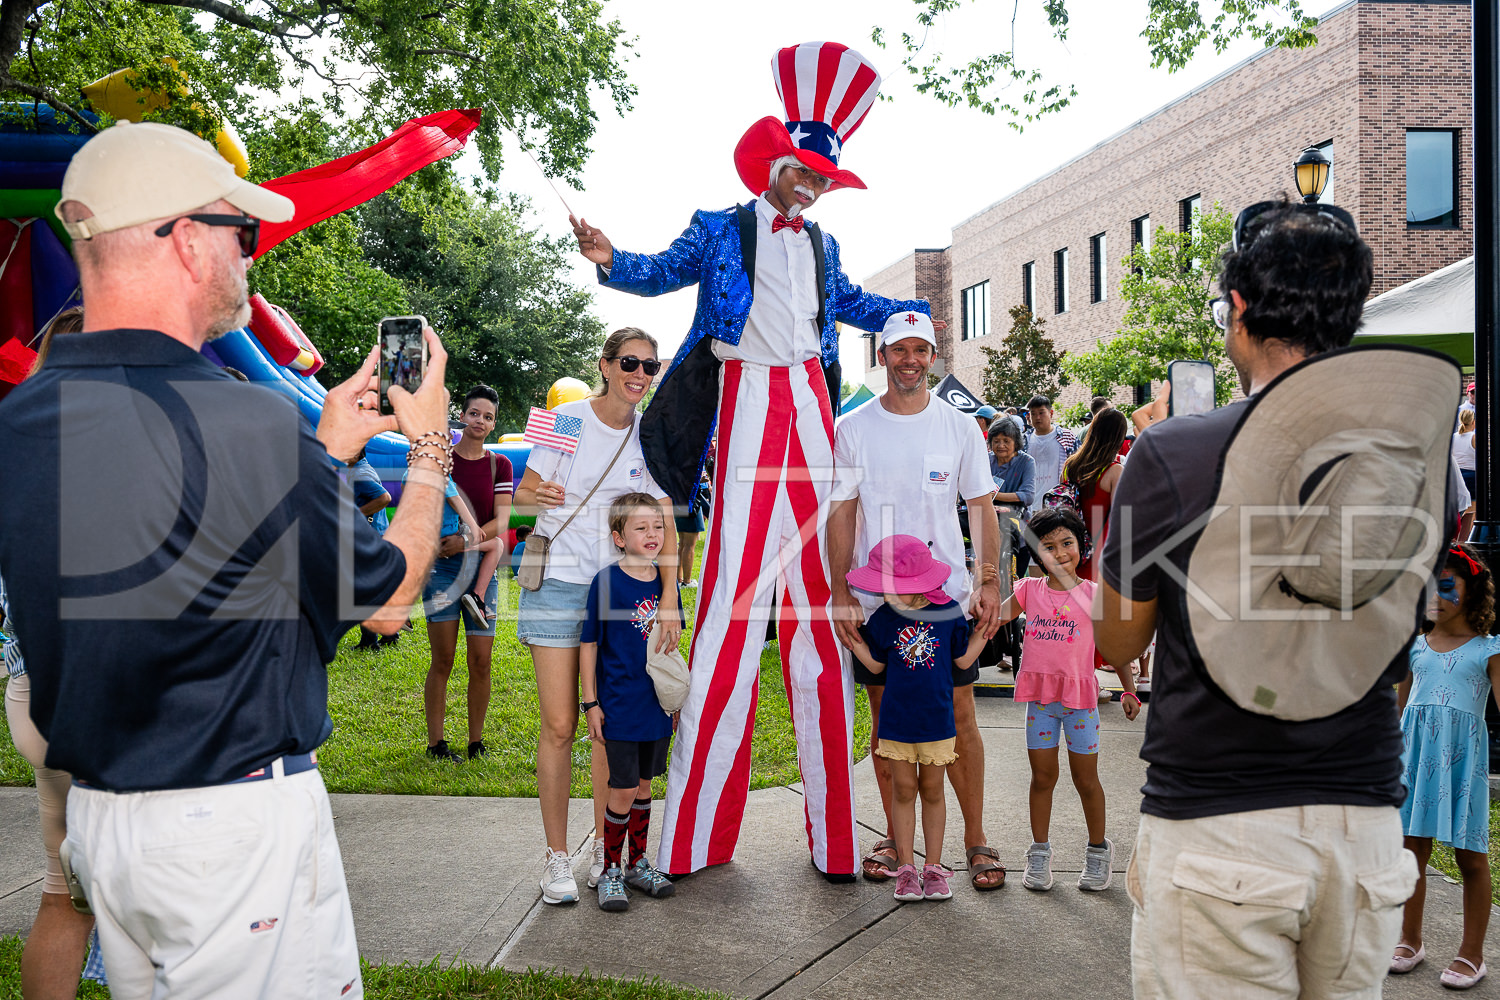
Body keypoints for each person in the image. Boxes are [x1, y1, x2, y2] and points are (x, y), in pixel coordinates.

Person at [0, 120, 451, 998]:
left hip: (101, 825)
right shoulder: (248, 423)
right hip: (231, 834)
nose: (252, 256)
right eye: (242, 233)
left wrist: (320, 450)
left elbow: (178, 546)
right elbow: (389, 601)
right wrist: (428, 446)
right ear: (184, 238)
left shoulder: (26, 419)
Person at [573, 41, 939, 881]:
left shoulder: (824, 246)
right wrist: (609, 260)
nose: (809, 186)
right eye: (801, 171)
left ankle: (837, 844)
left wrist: (910, 311)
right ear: (775, 161)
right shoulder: (718, 228)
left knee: (817, 611)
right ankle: (696, 840)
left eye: (822, 177)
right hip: (742, 403)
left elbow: (852, 307)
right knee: (732, 613)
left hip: (809, 400)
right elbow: (661, 272)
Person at [1097, 201, 1461, 998]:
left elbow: (1118, 646)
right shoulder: (1418, 461)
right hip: (1364, 820)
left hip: (1216, 823)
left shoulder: (1171, 452)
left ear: (1237, 311)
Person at [828, 311, 1004, 891]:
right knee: (888, 722)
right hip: (877, 602)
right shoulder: (853, 428)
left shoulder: (960, 428)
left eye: (920, 350)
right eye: (898, 349)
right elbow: (843, 511)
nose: (909, 359)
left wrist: (987, 581)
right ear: (882, 357)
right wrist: (839, 592)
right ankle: (898, 841)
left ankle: (975, 840)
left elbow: (981, 508)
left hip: (947, 597)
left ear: (934, 357)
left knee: (960, 716)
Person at [514, 327, 678, 904]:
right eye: (629, 363)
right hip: (560, 584)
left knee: (613, 732)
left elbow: (664, 515)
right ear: (605, 365)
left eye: (650, 367)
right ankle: (557, 858)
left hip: (621, 597)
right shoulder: (562, 419)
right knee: (561, 725)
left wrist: (671, 598)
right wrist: (541, 498)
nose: (639, 374)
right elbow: (518, 499)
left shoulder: (651, 432)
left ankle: (605, 858)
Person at [996, 508, 1138, 892]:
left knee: (1085, 779)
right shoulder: (1028, 591)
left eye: (1067, 543)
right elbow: (993, 618)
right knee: (1042, 778)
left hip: (1080, 705)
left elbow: (1117, 647)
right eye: (1047, 547)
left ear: (1081, 546)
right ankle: (1039, 852)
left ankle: (1098, 851)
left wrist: (1128, 689)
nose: (1059, 553)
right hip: (1041, 703)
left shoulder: (1094, 596)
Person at [845, 536, 989, 903]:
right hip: (897, 724)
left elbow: (961, 660)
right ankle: (907, 869)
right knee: (905, 790)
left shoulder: (948, 615)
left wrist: (984, 635)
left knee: (933, 792)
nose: (883, 594)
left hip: (937, 724)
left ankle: (934, 868)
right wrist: (854, 642)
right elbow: (876, 665)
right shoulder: (884, 618)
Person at [1391, 544, 1499, 988]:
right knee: (1411, 850)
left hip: (1462, 765)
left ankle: (1472, 954)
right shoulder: (1414, 647)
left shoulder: (1489, 648)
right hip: (1414, 762)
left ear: (1471, 591)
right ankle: (1409, 940)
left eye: (1446, 585)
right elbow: (1401, 711)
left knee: (1470, 857)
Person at [580, 493, 681, 912]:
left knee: (643, 787)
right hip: (619, 705)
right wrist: (591, 702)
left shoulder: (665, 582)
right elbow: (589, 644)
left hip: (654, 706)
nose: (652, 534)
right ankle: (611, 871)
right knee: (619, 791)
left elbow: (669, 645)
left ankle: (639, 864)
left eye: (657, 526)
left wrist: (673, 699)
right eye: (641, 528)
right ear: (619, 538)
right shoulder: (607, 581)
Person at [421, 385, 514, 760]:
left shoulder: (500, 465)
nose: (480, 421)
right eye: (474, 413)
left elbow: (502, 520)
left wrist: (464, 540)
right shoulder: (441, 458)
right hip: (441, 572)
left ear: (493, 424)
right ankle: (436, 744)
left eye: (488, 416)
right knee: (442, 660)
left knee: (481, 661)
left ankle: (476, 742)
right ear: (463, 415)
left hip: (481, 574)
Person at [1060, 407, 1127, 583]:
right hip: (1102, 555)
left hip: (1071, 550)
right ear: (1118, 437)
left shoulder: (1070, 466)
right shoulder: (1114, 472)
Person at [348, 449, 395, 651]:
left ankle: (369, 641)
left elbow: (384, 498)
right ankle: (390, 634)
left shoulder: (360, 474)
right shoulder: (360, 469)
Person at [989, 415, 1036, 580]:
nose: (1000, 445)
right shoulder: (987, 460)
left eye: (1006, 440)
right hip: (989, 531)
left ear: (1016, 442)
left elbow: (1028, 496)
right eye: (996, 440)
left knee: (1014, 581)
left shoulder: (1026, 462)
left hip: (1019, 532)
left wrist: (993, 496)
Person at [1024, 395, 1078, 525]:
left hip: (1060, 504)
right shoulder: (1024, 441)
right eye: (1033, 414)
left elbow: (1078, 466)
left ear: (1051, 413)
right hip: (1032, 507)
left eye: (1041, 413)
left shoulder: (1067, 437)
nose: (1037, 417)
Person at [1454, 408, 1477, 541]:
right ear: (1473, 422)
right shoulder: (1474, 437)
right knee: (1471, 514)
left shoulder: (1453, 437)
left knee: (1459, 511)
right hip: (1472, 477)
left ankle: (1456, 541)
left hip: (1457, 476)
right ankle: (1464, 542)